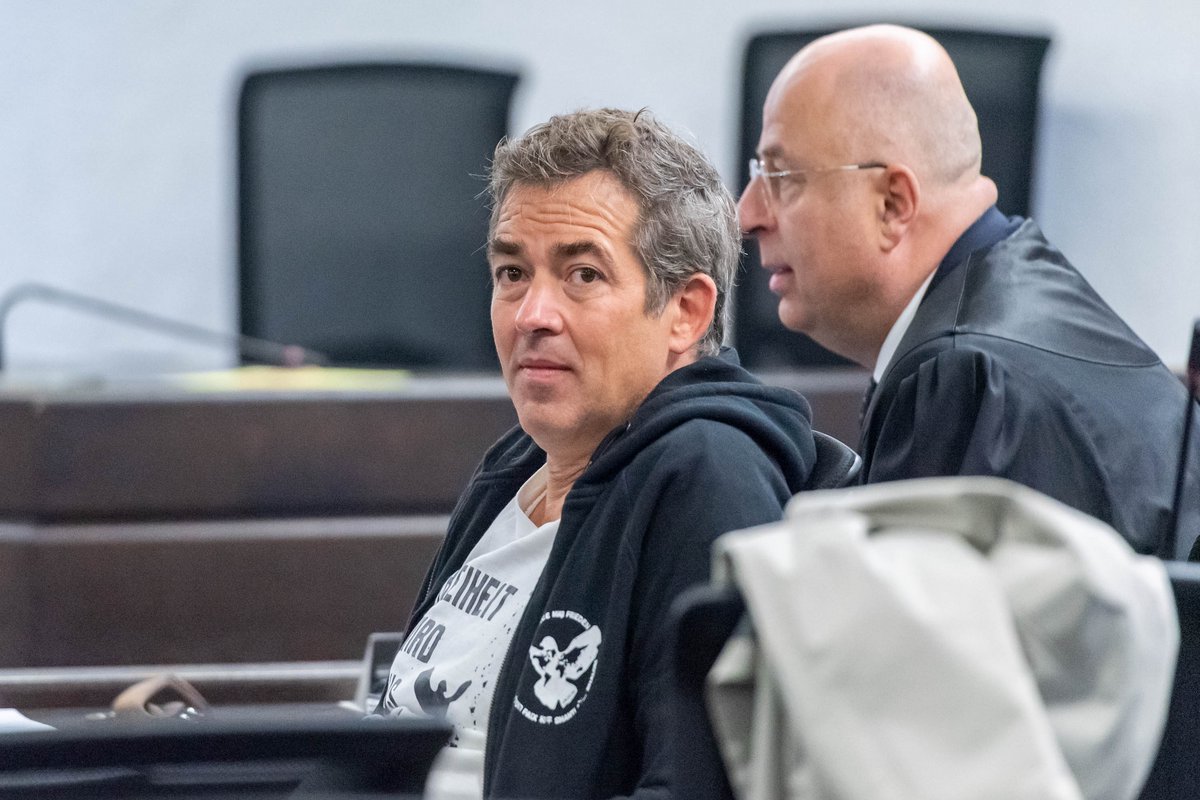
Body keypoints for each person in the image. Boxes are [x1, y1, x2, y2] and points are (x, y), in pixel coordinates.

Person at [375, 108, 821, 799]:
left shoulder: (707, 476)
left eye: (582, 275)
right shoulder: (515, 466)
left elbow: (697, 788)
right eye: (512, 272)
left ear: (686, 311)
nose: (532, 315)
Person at [737, 23, 1199, 556]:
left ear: (892, 204)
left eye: (782, 176)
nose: (747, 215)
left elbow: (915, 613)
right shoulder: (1021, 297)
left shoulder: (964, 380)